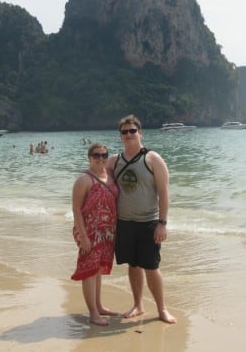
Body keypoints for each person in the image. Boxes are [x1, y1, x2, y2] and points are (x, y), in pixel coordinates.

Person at [107, 114, 177, 324]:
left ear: (140, 133)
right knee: (133, 264)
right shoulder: (114, 161)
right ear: (120, 136)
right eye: (124, 132)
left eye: (132, 131)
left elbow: (164, 193)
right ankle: (138, 305)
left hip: (149, 222)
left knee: (151, 267)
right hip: (124, 222)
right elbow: (98, 176)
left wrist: (162, 224)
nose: (129, 134)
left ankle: (162, 309)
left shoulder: (153, 159)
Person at [71, 142, 119, 326]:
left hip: (107, 231)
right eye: (96, 155)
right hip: (90, 231)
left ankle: (99, 306)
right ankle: (93, 313)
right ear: (89, 158)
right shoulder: (84, 179)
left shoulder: (110, 175)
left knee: (98, 269)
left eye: (104, 155)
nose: (101, 158)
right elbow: (76, 209)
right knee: (90, 270)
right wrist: (83, 236)